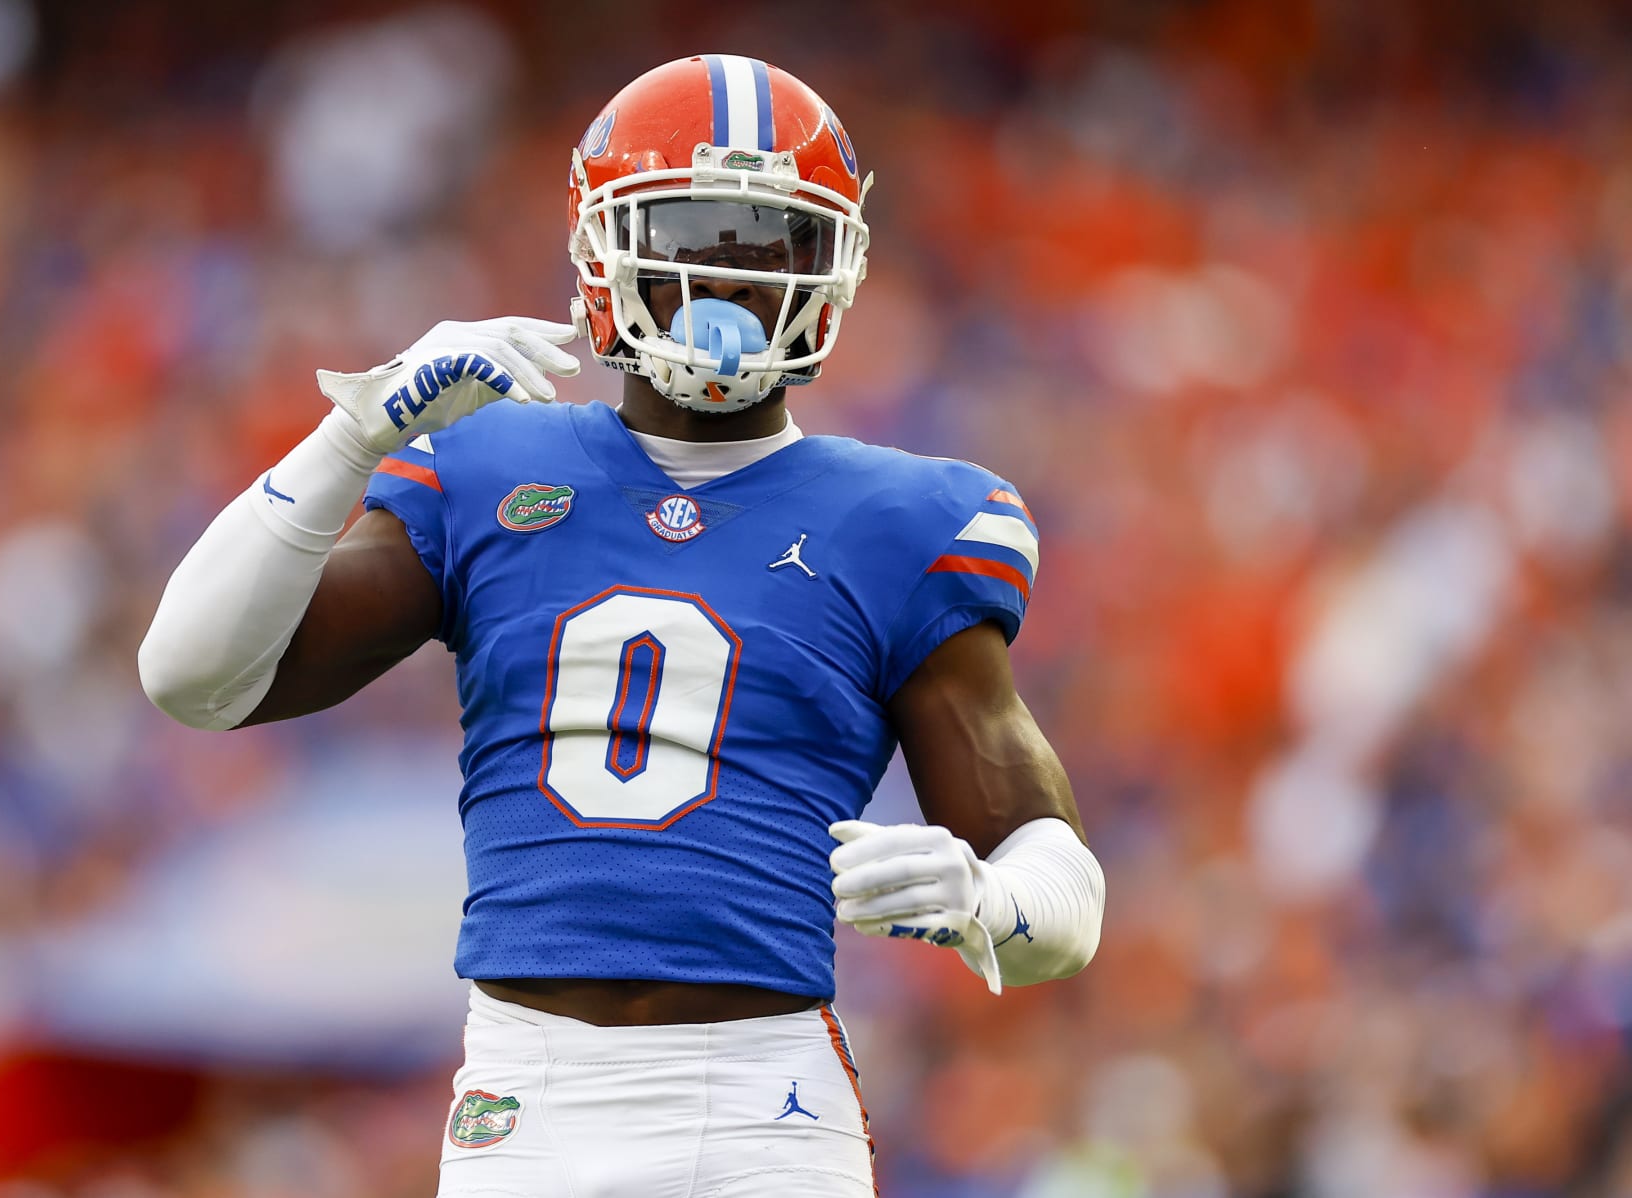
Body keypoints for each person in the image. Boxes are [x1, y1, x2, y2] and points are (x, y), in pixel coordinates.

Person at [140, 54, 1105, 1197]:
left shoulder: (905, 517)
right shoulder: (487, 467)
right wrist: (350, 436)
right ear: (602, 245)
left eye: (769, 242)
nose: (727, 276)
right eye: (691, 233)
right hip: (520, 1096)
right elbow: (191, 674)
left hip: (762, 1102)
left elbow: (1063, 888)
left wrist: (989, 900)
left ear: (833, 265)